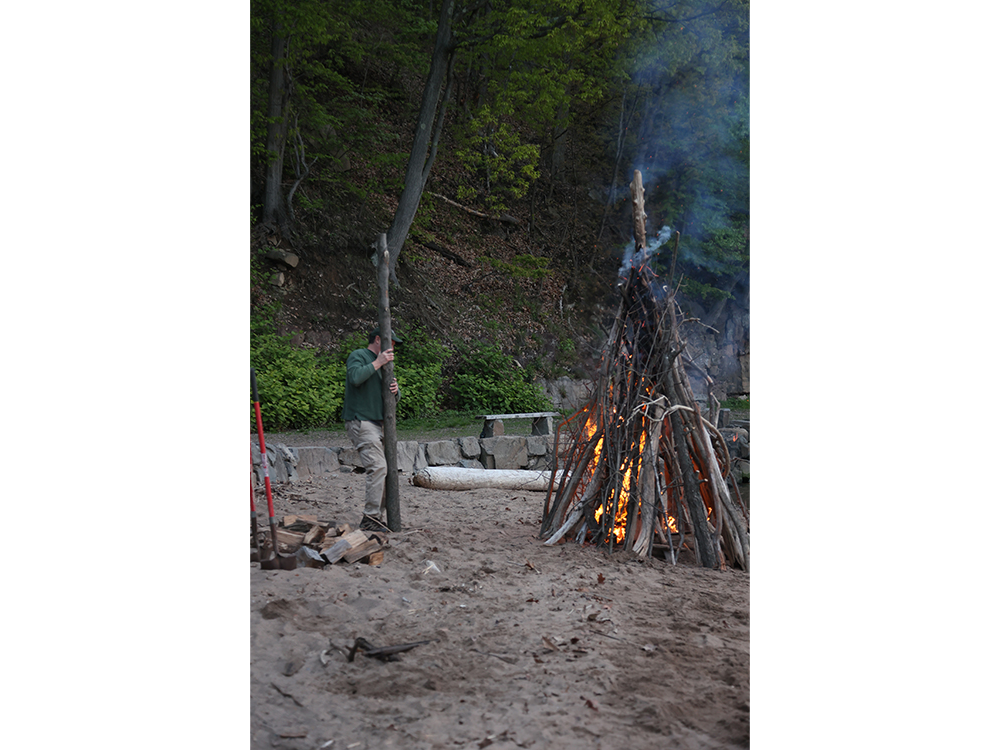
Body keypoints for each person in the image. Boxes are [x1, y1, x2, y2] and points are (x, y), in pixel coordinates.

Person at [343, 327, 402, 532]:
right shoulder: (359, 355)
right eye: (391, 343)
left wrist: (396, 391)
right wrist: (378, 362)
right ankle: (370, 518)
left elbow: (390, 396)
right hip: (361, 421)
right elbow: (355, 378)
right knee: (377, 467)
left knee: (386, 470)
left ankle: (376, 517)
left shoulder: (385, 365)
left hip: (379, 424)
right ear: (379, 339)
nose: (393, 348)